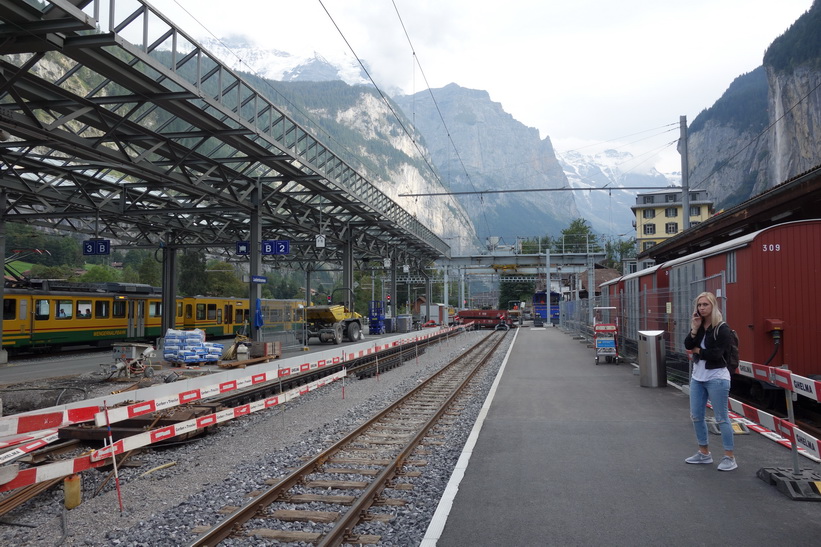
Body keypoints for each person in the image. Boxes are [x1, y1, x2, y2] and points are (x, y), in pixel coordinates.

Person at [683, 291, 737, 471]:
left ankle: (729, 457)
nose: (701, 308)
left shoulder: (722, 328)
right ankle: (703, 453)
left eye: (705, 305)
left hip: (717, 378)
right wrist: (694, 328)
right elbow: (688, 345)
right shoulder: (700, 326)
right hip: (698, 378)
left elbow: (716, 354)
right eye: (699, 305)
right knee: (696, 416)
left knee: (722, 418)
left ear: (713, 306)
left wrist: (698, 351)